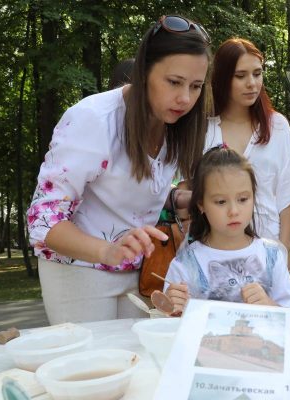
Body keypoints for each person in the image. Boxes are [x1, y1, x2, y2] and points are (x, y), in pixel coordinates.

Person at [27, 15, 211, 324]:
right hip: (80, 269)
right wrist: (107, 251)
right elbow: (42, 222)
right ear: (143, 71)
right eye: (174, 82)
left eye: (195, 86)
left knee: (140, 360)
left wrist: (177, 201)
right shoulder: (93, 120)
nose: (185, 98)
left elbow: (128, 191)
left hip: (140, 270)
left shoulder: (176, 126)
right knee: (95, 365)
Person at [204, 38, 290, 268]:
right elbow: (189, 188)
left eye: (257, 73)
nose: (252, 83)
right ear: (222, 78)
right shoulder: (203, 129)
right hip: (212, 255)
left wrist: (285, 249)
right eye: (240, 76)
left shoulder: (277, 125)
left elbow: (288, 194)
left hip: (267, 250)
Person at [163, 146, 290, 314]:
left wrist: (269, 306)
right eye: (221, 202)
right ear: (201, 204)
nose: (234, 211)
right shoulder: (185, 264)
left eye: (243, 199)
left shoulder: (272, 256)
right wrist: (171, 308)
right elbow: (169, 327)